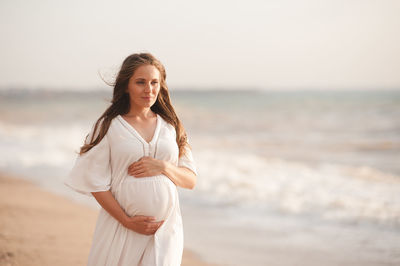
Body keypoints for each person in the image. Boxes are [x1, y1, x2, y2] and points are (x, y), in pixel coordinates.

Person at [64, 52, 197, 266]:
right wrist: (127, 221)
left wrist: (163, 166)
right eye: (140, 82)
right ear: (126, 85)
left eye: (154, 82)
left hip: (165, 230)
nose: (149, 89)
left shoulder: (172, 127)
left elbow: (190, 180)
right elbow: (95, 183)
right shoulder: (109, 126)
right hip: (121, 227)